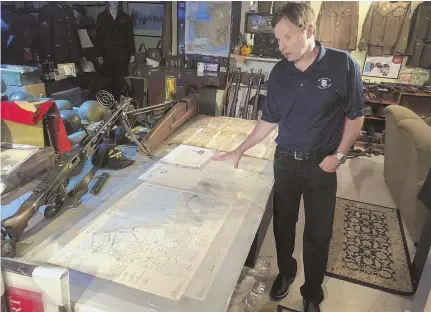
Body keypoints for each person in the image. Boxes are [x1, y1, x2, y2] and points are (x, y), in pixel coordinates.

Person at [212, 3, 364, 312]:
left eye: (287, 38)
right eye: (278, 39)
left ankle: (312, 293)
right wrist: (239, 150)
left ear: (308, 31)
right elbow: (269, 119)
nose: (281, 47)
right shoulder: (280, 72)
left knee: (319, 234)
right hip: (284, 162)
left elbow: (355, 116)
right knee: (283, 225)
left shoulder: (343, 65)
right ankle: (286, 271)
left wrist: (339, 154)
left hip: (322, 164)